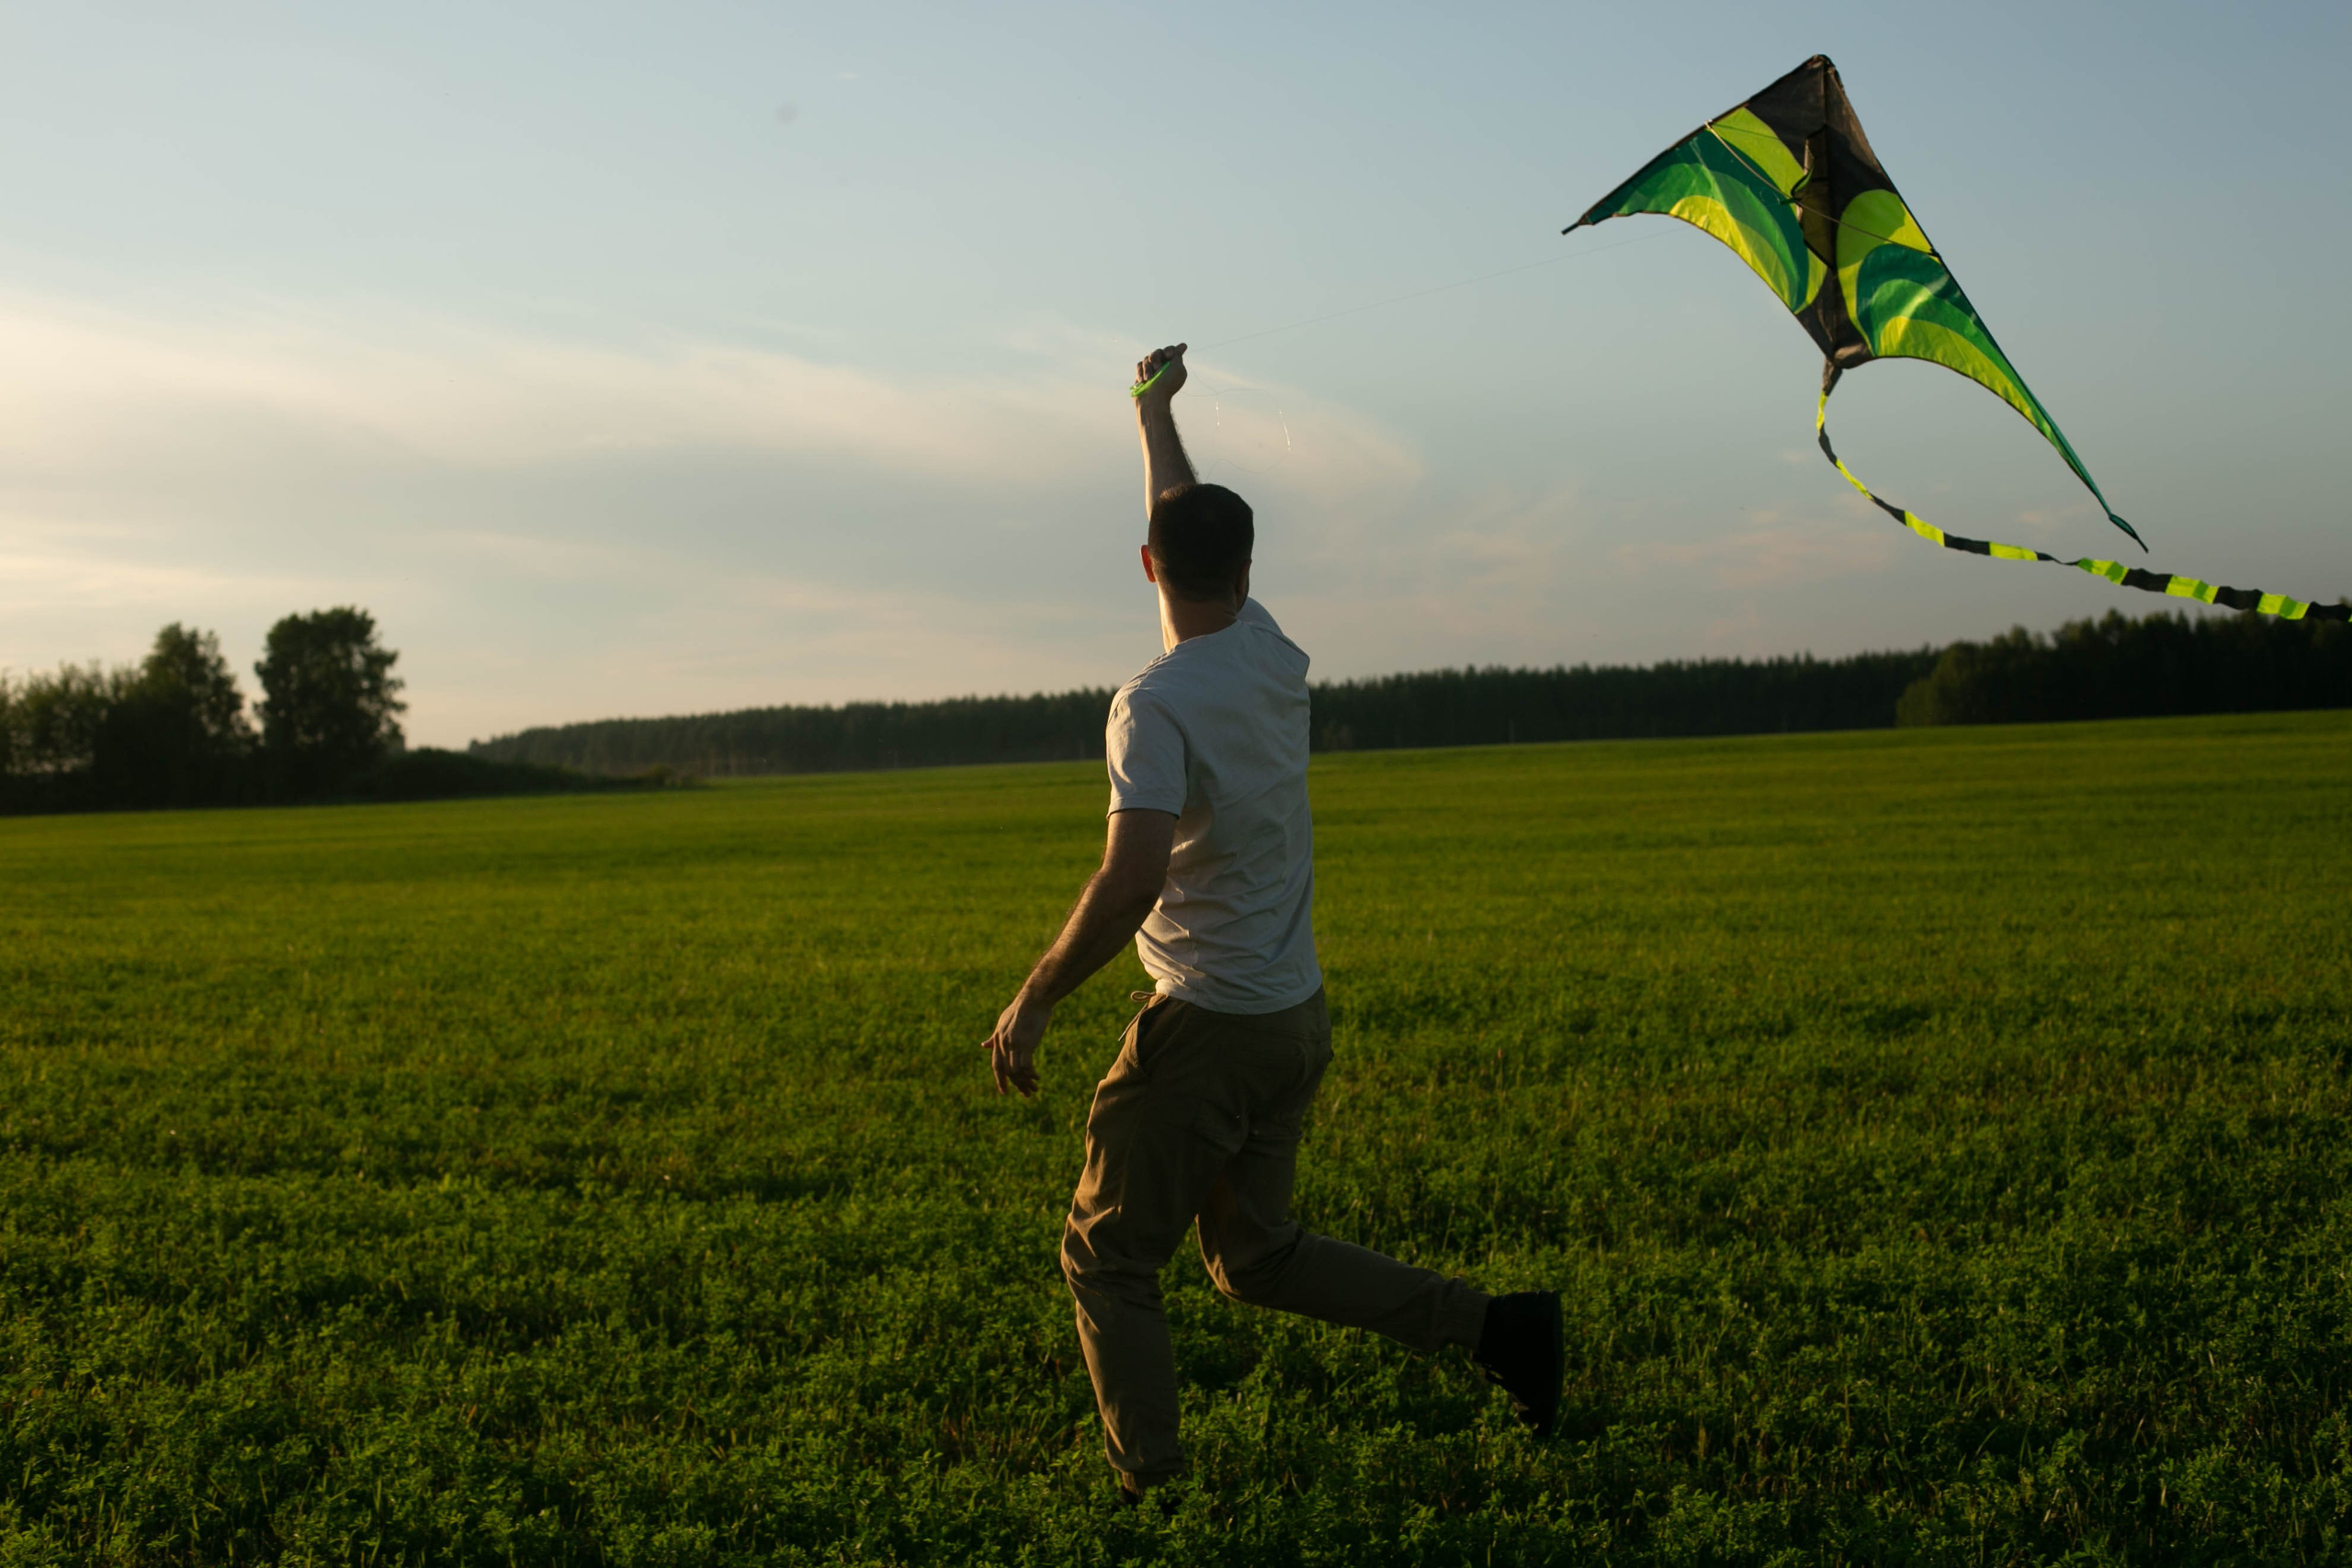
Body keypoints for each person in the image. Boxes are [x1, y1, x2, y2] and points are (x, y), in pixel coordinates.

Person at [980, 343, 1562, 1505]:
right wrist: (1153, 414)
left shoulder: (1151, 706)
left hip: (1205, 1030)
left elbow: (1132, 878)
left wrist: (1035, 997)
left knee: (1106, 1254)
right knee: (1254, 1256)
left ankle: (1154, 1493)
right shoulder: (1270, 652)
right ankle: (1499, 1330)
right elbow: (1183, 518)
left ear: (1146, 566)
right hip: (1292, 1016)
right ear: (1244, 570)